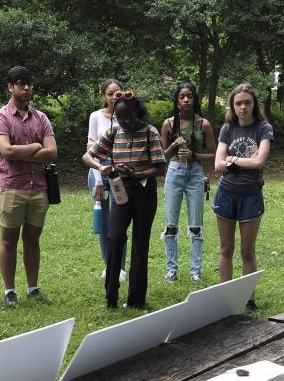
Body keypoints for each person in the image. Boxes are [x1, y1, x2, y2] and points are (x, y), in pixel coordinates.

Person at [83, 90, 167, 309]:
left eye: (127, 116)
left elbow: (160, 167)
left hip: (144, 191)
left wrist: (136, 173)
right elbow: (87, 156)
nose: (124, 121)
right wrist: (102, 167)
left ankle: (136, 300)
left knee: (140, 244)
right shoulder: (113, 133)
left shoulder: (150, 132)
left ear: (136, 111)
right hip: (121, 190)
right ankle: (111, 296)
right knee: (114, 237)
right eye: (119, 117)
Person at [0, 66, 57, 307]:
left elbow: (53, 152)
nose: (26, 87)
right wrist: (35, 148)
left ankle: (33, 287)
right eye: (20, 83)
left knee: (32, 239)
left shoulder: (41, 117)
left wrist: (22, 153)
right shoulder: (1, 117)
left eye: (28, 83)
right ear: (10, 87)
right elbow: (5, 151)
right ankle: (10, 290)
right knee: (8, 240)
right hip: (11, 186)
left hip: (39, 187)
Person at [213, 83, 274, 311]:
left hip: (251, 196)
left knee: (247, 251)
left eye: (247, 102)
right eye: (238, 103)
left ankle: (248, 299)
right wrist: (240, 162)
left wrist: (233, 160)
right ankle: (226, 299)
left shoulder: (263, 128)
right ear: (233, 106)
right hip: (226, 194)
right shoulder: (227, 129)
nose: (243, 107)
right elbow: (218, 164)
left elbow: (259, 162)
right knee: (226, 249)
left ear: (253, 104)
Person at [160, 82, 215, 282]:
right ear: (176, 100)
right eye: (182, 97)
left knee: (196, 224)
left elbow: (215, 155)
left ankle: (195, 271)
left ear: (195, 99)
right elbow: (160, 156)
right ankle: (171, 269)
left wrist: (195, 154)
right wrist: (174, 144)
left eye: (189, 96)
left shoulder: (203, 124)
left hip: (195, 172)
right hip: (174, 171)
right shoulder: (168, 124)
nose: (186, 100)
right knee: (171, 223)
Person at [87, 78, 125, 283]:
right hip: (98, 174)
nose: (113, 97)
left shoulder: (126, 116)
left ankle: (121, 267)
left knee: (120, 221)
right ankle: (109, 264)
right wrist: (98, 182)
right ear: (104, 96)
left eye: (117, 93)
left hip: (121, 174)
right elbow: (90, 150)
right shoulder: (96, 117)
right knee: (104, 223)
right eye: (109, 93)